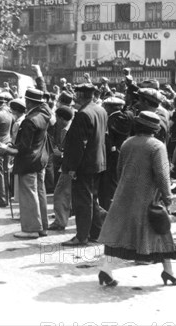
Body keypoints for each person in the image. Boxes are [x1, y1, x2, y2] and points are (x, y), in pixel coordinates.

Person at [97, 111, 176, 287]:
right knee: (161, 232)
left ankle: (106, 269)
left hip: (124, 195)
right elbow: (161, 175)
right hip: (147, 198)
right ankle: (169, 272)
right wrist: (168, 198)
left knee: (118, 233)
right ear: (156, 129)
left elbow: (120, 169)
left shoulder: (127, 143)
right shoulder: (156, 146)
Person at [0, 88, 51, 238]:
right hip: (40, 159)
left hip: (28, 161)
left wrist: (6, 148)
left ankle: (31, 229)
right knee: (40, 193)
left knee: (29, 194)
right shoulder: (45, 114)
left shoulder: (29, 120)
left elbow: (24, 147)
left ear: (28, 102)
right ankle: (42, 227)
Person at [61, 83, 108, 246]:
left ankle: (82, 236)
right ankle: (96, 232)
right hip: (98, 162)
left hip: (85, 164)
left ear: (80, 95)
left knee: (83, 201)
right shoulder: (100, 110)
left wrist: (72, 167)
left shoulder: (83, 114)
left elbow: (78, 145)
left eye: (76, 94)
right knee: (92, 199)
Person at [48, 106, 74, 231]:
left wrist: (61, 153)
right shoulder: (67, 128)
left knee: (60, 193)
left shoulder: (71, 130)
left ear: (61, 118)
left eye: (57, 118)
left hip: (70, 166)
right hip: (70, 165)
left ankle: (60, 221)